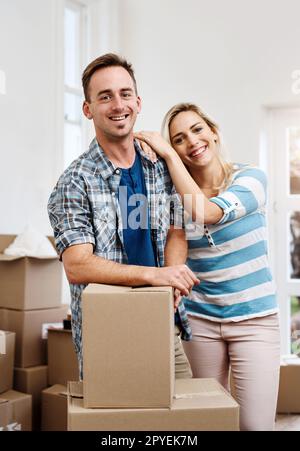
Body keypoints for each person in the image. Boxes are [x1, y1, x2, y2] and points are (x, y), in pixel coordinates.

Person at [47, 55, 199, 381]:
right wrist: (156, 277)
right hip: (109, 331)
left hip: (164, 321)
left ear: (138, 101)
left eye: (125, 93)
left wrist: (171, 282)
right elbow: (77, 266)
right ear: (87, 109)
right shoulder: (74, 182)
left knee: (184, 422)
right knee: (119, 428)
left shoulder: (161, 167)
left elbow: (179, 229)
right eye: (105, 96)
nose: (118, 105)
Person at [135, 102, 280, 431]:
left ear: (213, 133)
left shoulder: (251, 178)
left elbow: (209, 213)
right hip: (201, 320)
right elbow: (175, 242)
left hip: (254, 320)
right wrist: (169, 287)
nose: (192, 141)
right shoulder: (175, 200)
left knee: (254, 426)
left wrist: (169, 157)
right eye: (178, 139)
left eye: (197, 130)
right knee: (208, 422)